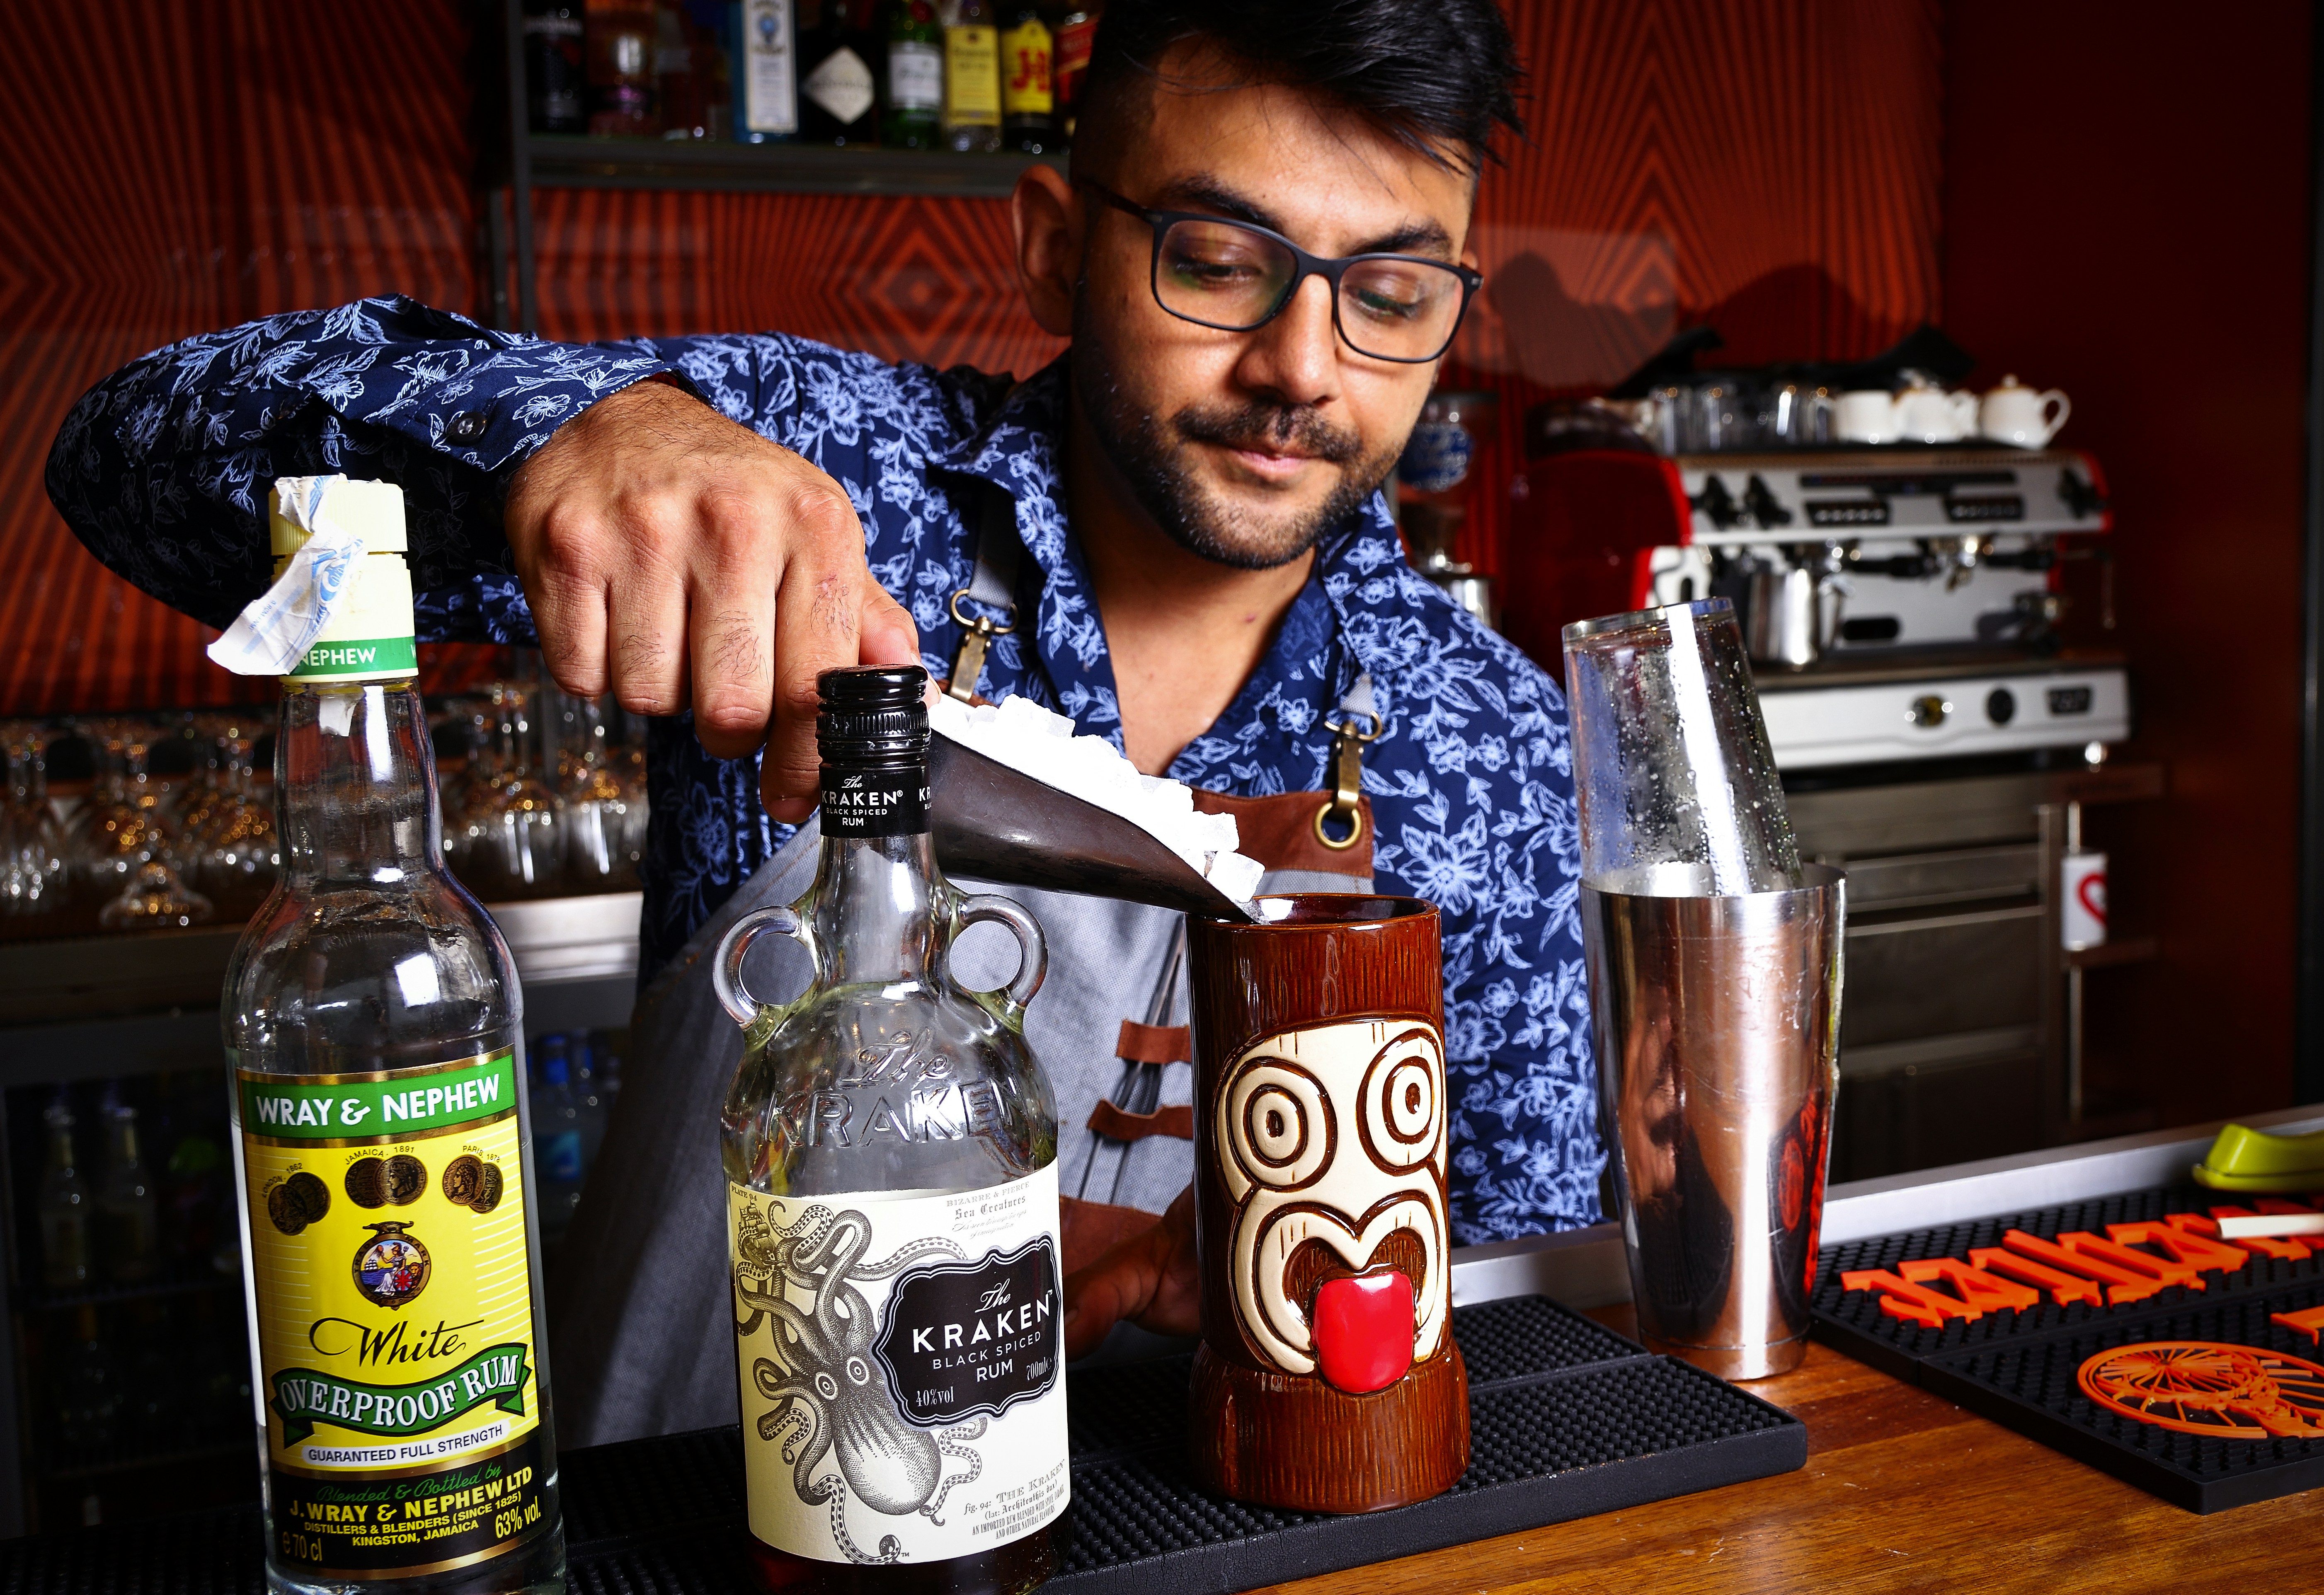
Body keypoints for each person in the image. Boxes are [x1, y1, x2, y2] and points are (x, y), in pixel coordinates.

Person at [48, 0, 1601, 1447]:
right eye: (1214, 259)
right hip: (704, 1508)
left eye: (1391, 294)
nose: (1302, 369)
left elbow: (1536, 1333)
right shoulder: (841, 477)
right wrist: (577, 435)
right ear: (1056, 246)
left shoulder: (1504, 750)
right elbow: (131, 462)